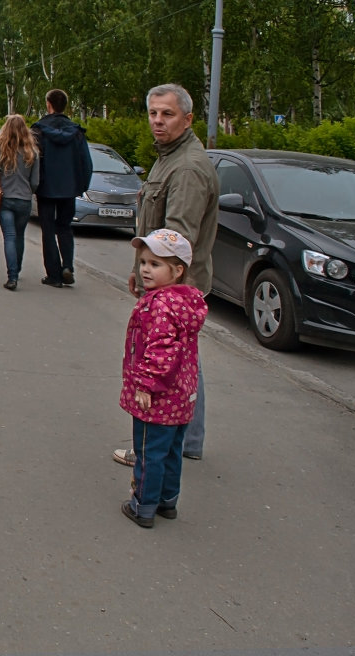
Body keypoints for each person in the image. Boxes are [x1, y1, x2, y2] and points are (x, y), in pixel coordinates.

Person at [112, 83, 220, 467]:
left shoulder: (187, 166)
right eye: (153, 113)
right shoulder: (170, 156)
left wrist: (150, 282)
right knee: (185, 362)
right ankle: (186, 439)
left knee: (162, 363)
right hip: (168, 283)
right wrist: (138, 271)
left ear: (188, 119)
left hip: (174, 289)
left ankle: (156, 448)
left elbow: (176, 242)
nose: (158, 121)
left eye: (167, 114)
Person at [119, 229, 208, 527]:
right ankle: (168, 501)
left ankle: (143, 505)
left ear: (177, 270)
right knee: (171, 452)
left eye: (155, 264)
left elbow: (161, 350)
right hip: (181, 395)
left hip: (156, 397)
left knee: (149, 452)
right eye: (143, 261)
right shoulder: (184, 301)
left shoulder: (159, 304)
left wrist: (145, 385)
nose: (145, 269)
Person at [31, 89, 92, 287]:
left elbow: (32, 159)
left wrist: (33, 184)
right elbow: (86, 162)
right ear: (65, 106)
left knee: (48, 231)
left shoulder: (38, 130)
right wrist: (81, 185)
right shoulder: (76, 132)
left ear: (49, 104)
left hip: (46, 187)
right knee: (65, 228)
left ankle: (54, 275)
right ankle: (68, 266)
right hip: (69, 188)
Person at [0, 113, 40, 290]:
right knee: (19, 236)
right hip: (24, 199)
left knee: (9, 236)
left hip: (5, 199)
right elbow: (35, 182)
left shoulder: (2, 148)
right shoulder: (32, 152)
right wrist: (27, 191)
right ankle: (17, 269)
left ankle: (12, 277)